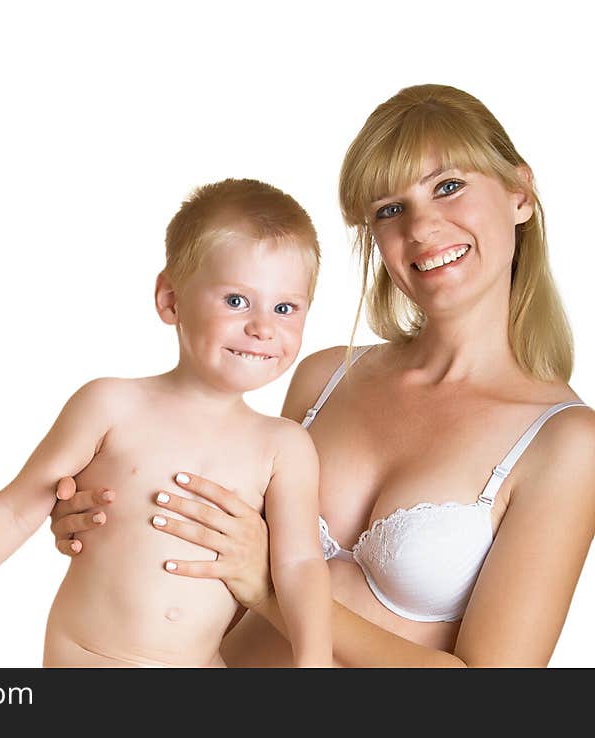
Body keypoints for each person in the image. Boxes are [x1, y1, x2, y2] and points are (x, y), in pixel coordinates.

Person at [50, 84, 595, 667]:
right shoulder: (324, 377)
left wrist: (272, 589)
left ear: (520, 193)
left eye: (449, 187)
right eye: (390, 209)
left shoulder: (565, 443)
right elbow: (213, 569)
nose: (422, 228)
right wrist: (110, 518)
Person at [0, 178, 331, 668]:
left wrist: (312, 667)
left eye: (285, 308)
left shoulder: (284, 447)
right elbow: (17, 509)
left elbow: (299, 566)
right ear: (171, 300)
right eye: (236, 301)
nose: (262, 326)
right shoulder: (112, 405)